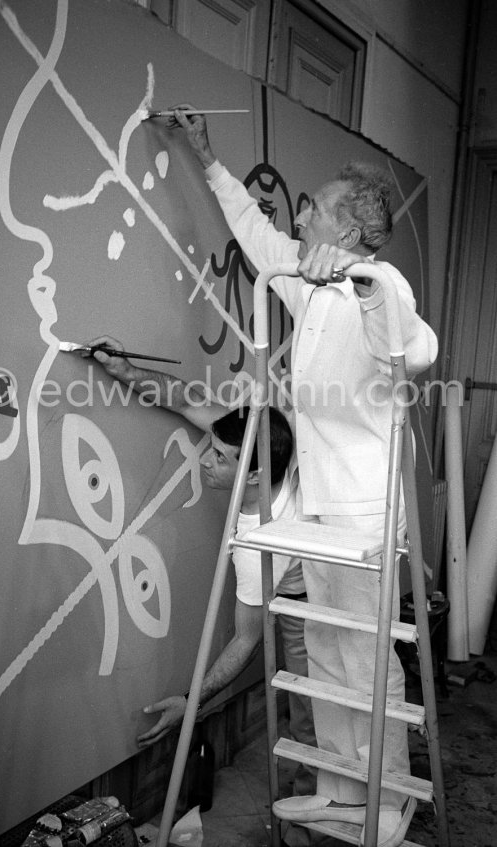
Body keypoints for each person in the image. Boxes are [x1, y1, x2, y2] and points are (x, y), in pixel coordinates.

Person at [166, 106, 438, 847]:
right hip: (319, 506)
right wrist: (209, 158)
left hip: (365, 515)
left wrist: (366, 282)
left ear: (347, 232)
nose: (302, 211)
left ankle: (379, 804)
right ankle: (338, 791)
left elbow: (412, 347)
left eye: (314, 206)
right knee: (323, 653)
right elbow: (256, 237)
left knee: (363, 659)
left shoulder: (380, 287)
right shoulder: (307, 286)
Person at [86, 336, 317, 806]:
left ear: (252, 476)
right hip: (305, 573)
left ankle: (310, 825)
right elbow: (184, 398)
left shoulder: (259, 548)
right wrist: (124, 370)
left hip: (312, 599)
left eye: (217, 458)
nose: (203, 459)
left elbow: (246, 640)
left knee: (312, 723)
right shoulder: (263, 443)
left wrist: (192, 703)